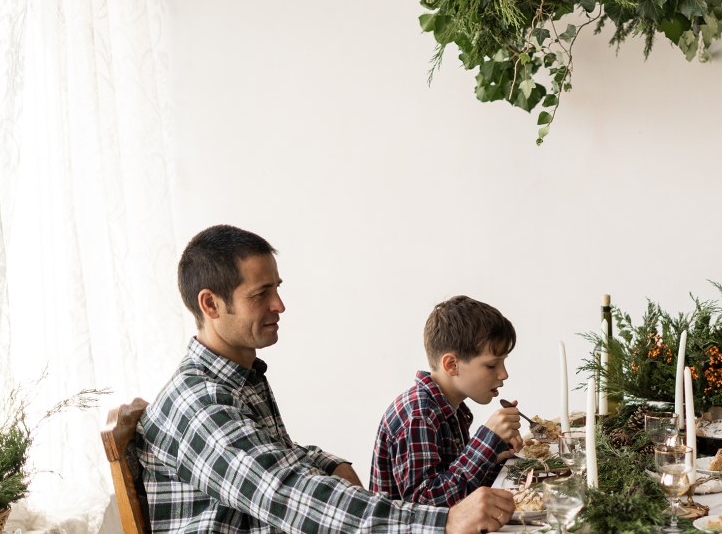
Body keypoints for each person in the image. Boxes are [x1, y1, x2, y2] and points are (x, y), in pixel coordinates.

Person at [136, 225, 515, 534]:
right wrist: (444, 521)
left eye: (277, 289)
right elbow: (286, 494)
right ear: (211, 304)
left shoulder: (236, 381)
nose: (279, 305)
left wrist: (329, 462)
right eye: (261, 293)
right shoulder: (197, 402)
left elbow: (275, 455)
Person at [369, 296, 523, 506]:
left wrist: (491, 456)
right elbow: (425, 505)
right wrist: (486, 440)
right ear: (452, 365)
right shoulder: (418, 414)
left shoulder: (453, 409)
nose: (503, 374)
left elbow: (456, 485)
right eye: (491, 365)